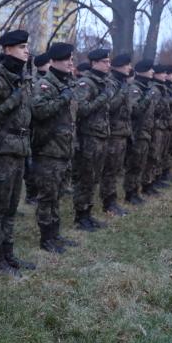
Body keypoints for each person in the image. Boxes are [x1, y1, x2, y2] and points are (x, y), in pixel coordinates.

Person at [0, 29, 36, 277]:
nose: (27, 50)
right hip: (2, 152)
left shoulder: (22, 77)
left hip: (20, 151)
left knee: (12, 207)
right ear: (7, 49)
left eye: (27, 46)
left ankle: (7, 253)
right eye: (22, 46)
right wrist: (12, 100)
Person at [31, 42, 78, 253]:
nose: (70, 63)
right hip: (48, 150)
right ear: (54, 61)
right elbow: (40, 112)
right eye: (66, 59)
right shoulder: (45, 85)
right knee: (47, 197)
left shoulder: (66, 83)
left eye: (71, 59)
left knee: (57, 195)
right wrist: (62, 99)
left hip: (64, 150)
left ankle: (55, 234)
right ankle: (46, 238)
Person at [73, 48, 113, 231]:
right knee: (85, 177)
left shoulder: (104, 82)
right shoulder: (86, 83)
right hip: (88, 137)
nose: (108, 65)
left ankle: (88, 213)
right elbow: (81, 110)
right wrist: (102, 99)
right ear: (94, 63)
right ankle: (81, 216)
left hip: (101, 136)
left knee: (95, 177)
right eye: (105, 62)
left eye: (109, 61)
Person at [100, 54, 133, 216]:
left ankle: (112, 200)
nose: (130, 68)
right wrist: (122, 92)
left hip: (122, 132)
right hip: (112, 133)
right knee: (110, 170)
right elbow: (110, 106)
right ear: (119, 66)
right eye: (127, 65)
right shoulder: (111, 83)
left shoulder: (122, 82)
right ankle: (109, 202)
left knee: (116, 169)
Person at [123, 59, 157, 205]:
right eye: (150, 69)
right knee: (134, 164)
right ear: (143, 71)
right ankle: (130, 193)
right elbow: (135, 111)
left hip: (145, 132)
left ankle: (135, 190)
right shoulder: (135, 88)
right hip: (136, 134)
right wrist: (148, 97)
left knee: (141, 164)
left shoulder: (145, 87)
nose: (153, 72)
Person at [24, 52, 51, 206]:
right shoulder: (34, 81)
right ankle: (31, 194)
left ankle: (39, 190)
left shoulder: (49, 80)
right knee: (31, 162)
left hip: (42, 128)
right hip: (32, 127)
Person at [142, 64, 168, 197]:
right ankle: (147, 184)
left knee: (157, 154)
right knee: (152, 156)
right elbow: (152, 110)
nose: (166, 75)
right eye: (163, 73)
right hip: (153, 126)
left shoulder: (160, 88)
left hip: (159, 125)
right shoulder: (153, 89)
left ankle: (153, 181)